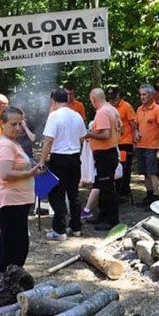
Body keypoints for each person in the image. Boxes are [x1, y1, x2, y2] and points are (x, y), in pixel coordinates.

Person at [0, 106, 45, 279]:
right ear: (2, 124)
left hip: (16, 200)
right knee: (17, 244)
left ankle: (0, 275)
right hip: (10, 201)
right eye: (13, 124)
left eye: (20, 124)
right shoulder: (5, 145)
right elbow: (5, 173)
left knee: (9, 239)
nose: (17, 128)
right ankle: (9, 280)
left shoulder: (12, 142)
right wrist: (31, 173)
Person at [39, 89, 88, 241]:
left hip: (59, 158)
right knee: (74, 193)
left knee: (57, 194)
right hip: (74, 158)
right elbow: (82, 138)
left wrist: (42, 161)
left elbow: (48, 140)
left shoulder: (54, 116)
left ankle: (59, 230)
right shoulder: (77, 115)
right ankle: (76, 227)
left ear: (53, 100)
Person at [86, 88, 122, 230]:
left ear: (94, 99)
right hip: (110, 151)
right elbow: (121, 129)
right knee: (103, 185)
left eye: (91, 101)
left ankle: (111, 220)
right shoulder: (113, 109)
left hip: (105, 153)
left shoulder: (102, 112)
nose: (92, 103)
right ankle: (102, 215)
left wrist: (89, 134)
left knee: (107, 188)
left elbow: (105, 134)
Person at [134, 84, 159, 206]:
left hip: (153, 146)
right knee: (144, 173)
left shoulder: (157, 110)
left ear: (151, 95)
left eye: (144, 94)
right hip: (141, 145)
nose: (141, 97)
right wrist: (136, 132)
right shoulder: (139, 109)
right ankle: (148, 196)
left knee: (152, 172)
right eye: (140, 94)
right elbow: (135, 125)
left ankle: (155, 197)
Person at [108, 86, 137, 201]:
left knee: (125, 168)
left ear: (119, 96)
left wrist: (135, 140)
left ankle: (124, 192)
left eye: (114, 98)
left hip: (125, 141)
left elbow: (133, 124)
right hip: (113, 142)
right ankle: (116, 190)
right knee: (115, 167)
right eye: (110, 99)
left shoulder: (126, 106)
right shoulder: (108, 107)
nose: (112, 101)